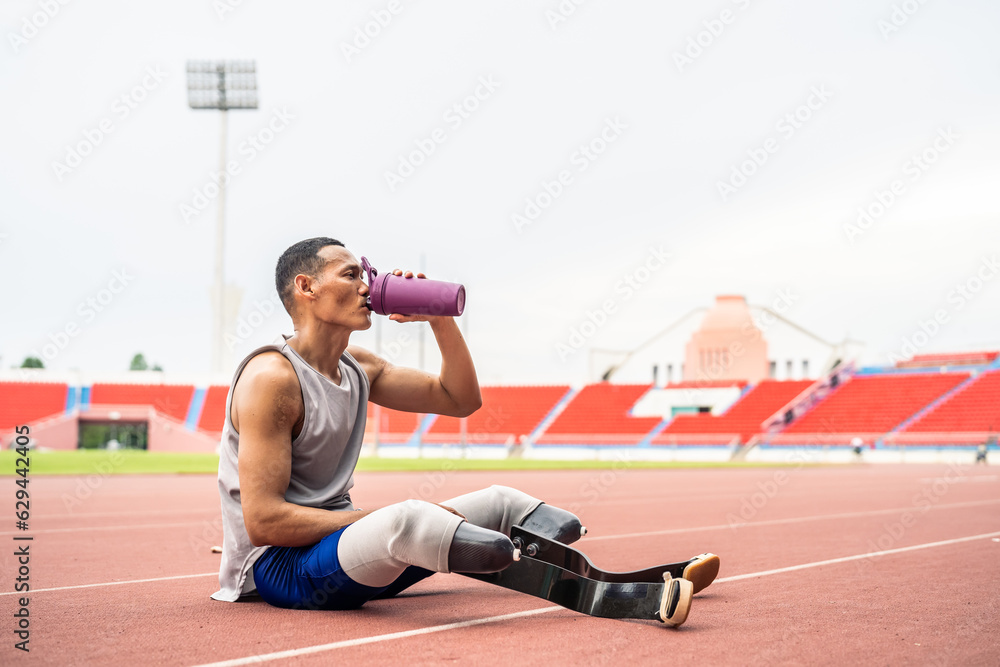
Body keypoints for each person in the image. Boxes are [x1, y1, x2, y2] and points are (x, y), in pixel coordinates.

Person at [211, 237, 586, 611]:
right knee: (409, 518)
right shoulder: (271, 379)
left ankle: (499, 553)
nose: (366, 287)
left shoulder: (359, 366)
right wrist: (375, 519)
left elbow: (460, 399)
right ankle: (457, 544)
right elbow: (264, 522)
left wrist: (439, 318)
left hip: (345, 553)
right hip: (279, 566)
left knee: (503, 504)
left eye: (365, 276)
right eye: (350, 275)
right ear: (306, 287)